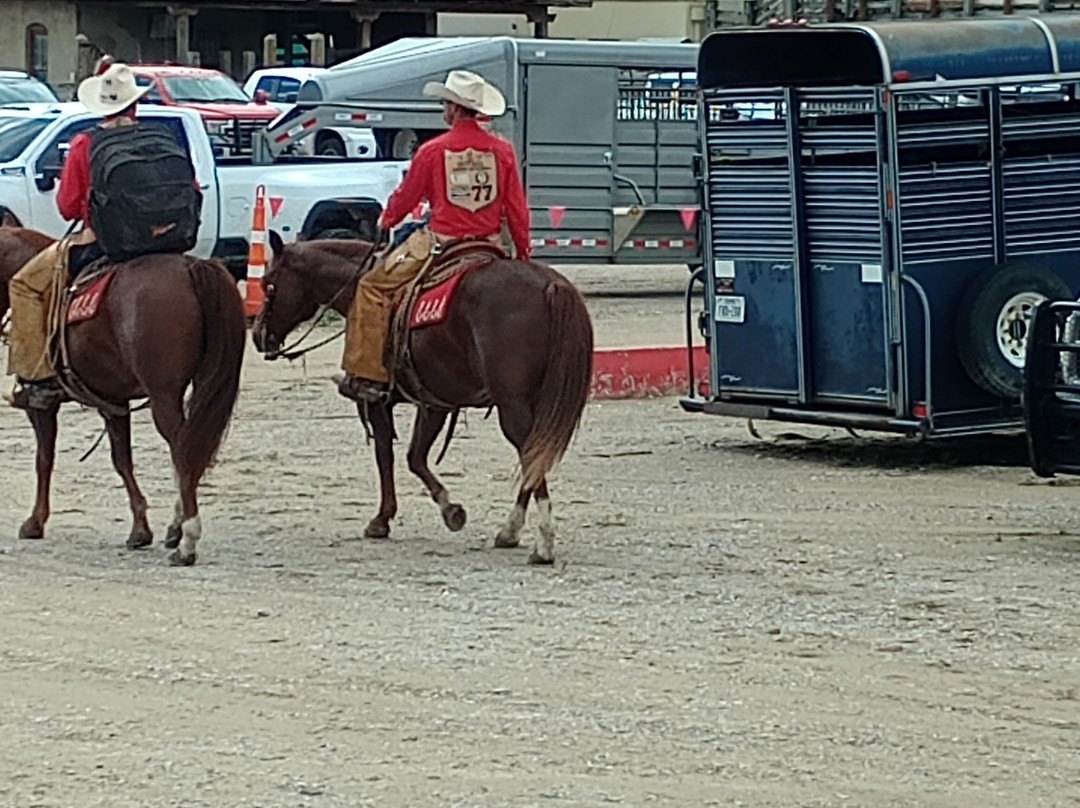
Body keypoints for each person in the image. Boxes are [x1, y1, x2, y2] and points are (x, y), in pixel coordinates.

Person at [336, 69, 532, 404]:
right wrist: (524, 255)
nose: (443, 108)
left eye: (445, 103)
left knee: (371, 287)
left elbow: (407, 196)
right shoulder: (503, 152)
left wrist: (388, 218)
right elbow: (517, 209)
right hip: (487, 243)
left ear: (455, 109)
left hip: (440, 242)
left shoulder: (433, 150)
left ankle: (368, 375)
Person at [5, 59, 148, 410]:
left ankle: (38, 380)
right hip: (160, 242)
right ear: (135, 104)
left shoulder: (85, 144)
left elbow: (68, 207)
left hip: (101, 243)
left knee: (24, 285)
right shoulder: (156, 137)